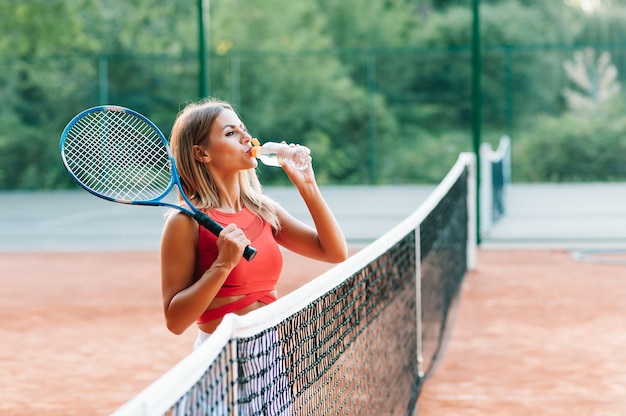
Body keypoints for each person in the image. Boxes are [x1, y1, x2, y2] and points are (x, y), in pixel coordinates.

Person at [160, 98, 348, 347]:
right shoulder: (185, 222)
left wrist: (308, 187)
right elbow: (175, 322)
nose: (246, 138)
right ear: (202, 153)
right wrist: (222, 265)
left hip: (269, 353)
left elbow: (334, 252)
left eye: (243, 129)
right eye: (230, 132)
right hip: (220, 355)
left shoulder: (264, 211)